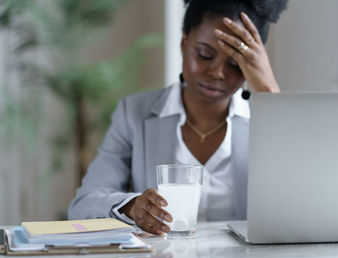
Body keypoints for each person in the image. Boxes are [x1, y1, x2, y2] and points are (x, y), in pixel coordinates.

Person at [68, 0, 288, 236]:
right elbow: (83, 205)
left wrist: (269, 93)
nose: (217, 72)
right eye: (204, 55)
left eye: (235, 64)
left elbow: (298, 202)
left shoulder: (266, 122)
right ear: (184, 42)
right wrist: (132, 207)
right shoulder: (134, 114)